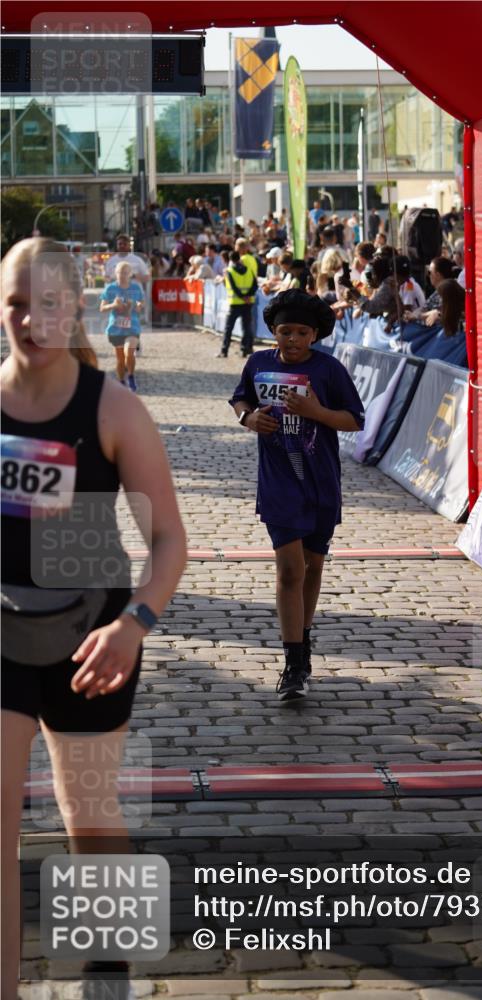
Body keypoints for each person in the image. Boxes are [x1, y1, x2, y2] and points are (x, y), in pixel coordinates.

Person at [1, 238, 187, 1000]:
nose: (30, 320)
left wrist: (134, 624)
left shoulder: (113, 408)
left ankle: (109, 963)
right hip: (4, 630)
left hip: (93, 638)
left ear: (75, 306)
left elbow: (169, 539)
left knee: (88, 810)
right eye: (15, 303)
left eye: (48, 303)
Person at [229, 290, 364, 700]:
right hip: (278, 483)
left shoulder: (328, 369)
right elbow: (240, 398)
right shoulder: (258, 363)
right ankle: (292, 665)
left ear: (315, 335)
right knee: (290, 571)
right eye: (285, 331)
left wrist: (316, 413)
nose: (292, 340)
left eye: (302, 333)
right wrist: (248, 418)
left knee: (312, 566)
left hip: (320, 483)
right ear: (273, 330)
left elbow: (355, 420)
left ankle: (303, 644)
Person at [100, 261, 145, 392]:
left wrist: (139, 306)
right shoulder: (110, 288)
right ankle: (121, 382)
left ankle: (131, 376)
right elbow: (102, 308)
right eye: (119, 272)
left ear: (130, 274)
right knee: (120, 360)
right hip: (116, 328)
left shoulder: (136, 288)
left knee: (129, 352)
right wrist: (113, 305)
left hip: (132, 327)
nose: (122, 275)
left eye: (125, 273)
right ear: (115, 273)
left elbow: (141, 303)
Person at [219, 251, 258, 358]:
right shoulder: (249, 270)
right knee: (246, 327)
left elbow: (234, 287)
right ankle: (245, 349)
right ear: (239, 258)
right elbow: (255, 285)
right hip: (248, 303)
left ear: (231, 259)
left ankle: (224, 350)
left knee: (228, 328)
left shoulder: (229, 271)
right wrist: (248, 296)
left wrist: (242, 296)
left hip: (235, 303)